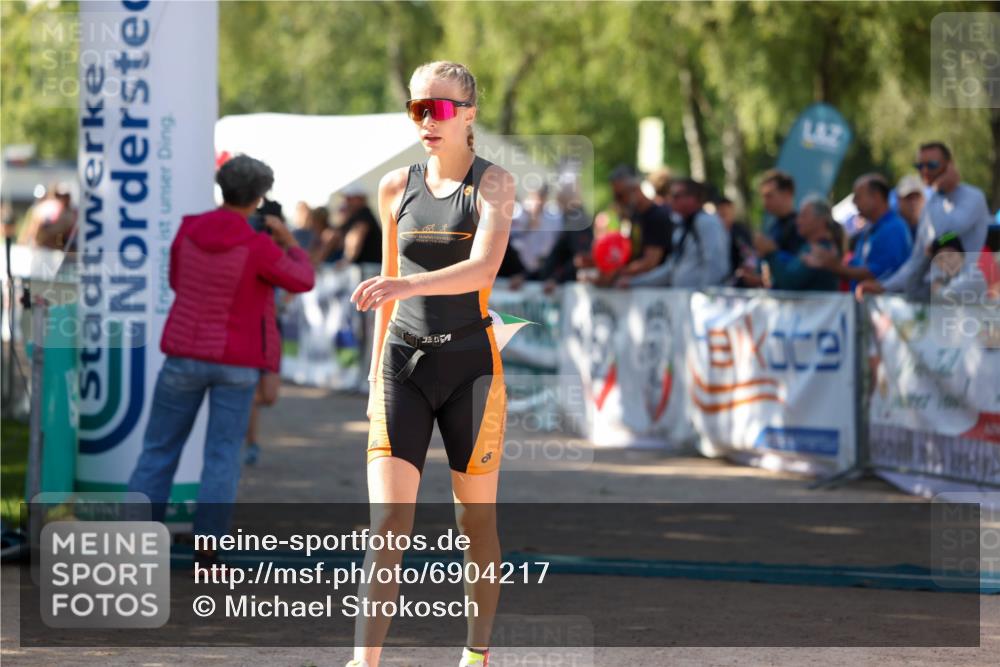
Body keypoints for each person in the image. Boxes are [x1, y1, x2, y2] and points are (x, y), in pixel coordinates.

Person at [347, 61, 514, 667]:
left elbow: (484, 270)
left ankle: (476, 655)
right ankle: (363, 661)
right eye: (416, 108)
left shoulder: (494, 184)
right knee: (388, 524)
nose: (426, 120)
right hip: (400, 370)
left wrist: (403, 290)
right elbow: (385, 293)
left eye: (438, 109)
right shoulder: (396, 186)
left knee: (476, 528)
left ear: (469, 115)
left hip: (472, 370)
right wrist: (372, 378)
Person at [126, 155, 315, 563]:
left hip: (183, 353)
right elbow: (303, 279)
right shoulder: (259, 245)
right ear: (259, 197)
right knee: (223, 456)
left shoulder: (189, 229)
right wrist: (290, 241)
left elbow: (177, 280)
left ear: (222, 186)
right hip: (237, 360)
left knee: (158, 451)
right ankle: (208, 550)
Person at [860, 142, 992, 298]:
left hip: (965, 289)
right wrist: (884, 286)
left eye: (932, 165)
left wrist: (939, 191)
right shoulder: (933, 202)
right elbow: (917, 260)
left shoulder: (972, 197)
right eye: (919, 166)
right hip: (936, 289)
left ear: (950, 166)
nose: (925, 171)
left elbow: (946, 232)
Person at [803, 174, 911, 289]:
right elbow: (859, 267)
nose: (854, 202)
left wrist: (834, 266)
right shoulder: (870, 230)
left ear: (876, 197)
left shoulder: (893, 229)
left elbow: (876, 274)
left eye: (858, 196)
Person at [621, 178, 730, 288]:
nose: (670, 200)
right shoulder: (683, 226)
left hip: (699, 301)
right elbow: (672, 268)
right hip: (683, 298)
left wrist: (702, 295)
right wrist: (634, 283)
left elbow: (716, 265)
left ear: (692, 199)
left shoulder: (707, 222)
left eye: (676, 196)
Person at [592, 164, 671, 285]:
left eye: (620, 196)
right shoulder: (635, 216)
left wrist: (616, 274)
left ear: (635, 189)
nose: (617, 201)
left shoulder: (657, 216)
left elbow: (650, 262)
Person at [756, 197, 841, 291]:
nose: (798, 221)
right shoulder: (810, 247)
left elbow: (790, 284)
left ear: (820, 220)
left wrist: (771, 253)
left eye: (804, 216)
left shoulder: (821, 251)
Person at [760, 169, 803, 255]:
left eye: (769, 196)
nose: (765, 203)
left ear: (786, 194)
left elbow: (801, 263)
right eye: (763, 197)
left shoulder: (801, 227)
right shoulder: (773, 227)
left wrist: (772, 252)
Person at [716, 196, 756, 287]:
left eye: (727, 211)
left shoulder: (740, 232)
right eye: (721, 211)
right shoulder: (713, 232)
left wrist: (745, 270)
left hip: (736, 282)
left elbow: (749, 255)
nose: (724, 214)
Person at [895, 173, 925, 238]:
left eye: (917, 197)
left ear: (923, 199)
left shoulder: (932, 225)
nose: (913, 202)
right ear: (898, 200)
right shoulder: (892, 228)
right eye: (909, 197)